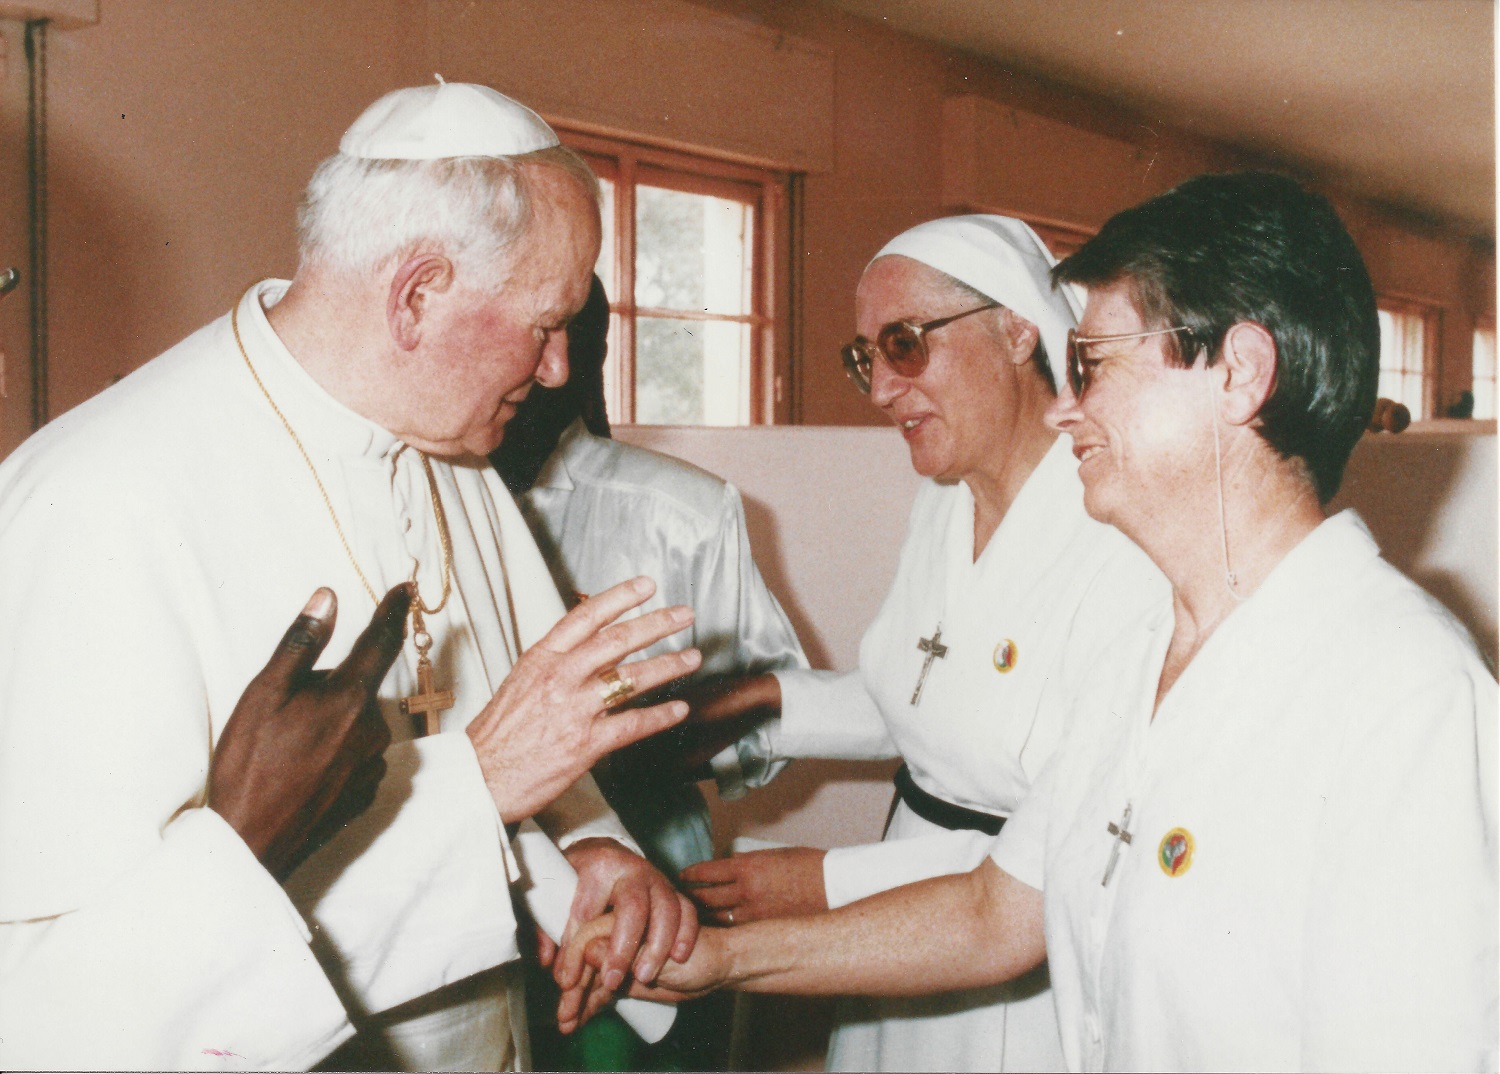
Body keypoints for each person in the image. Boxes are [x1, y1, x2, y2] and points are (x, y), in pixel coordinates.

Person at [561, 172, 1499, 1073]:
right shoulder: (1152, 656)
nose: (1062, 407)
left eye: (1091, 365)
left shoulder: (1402, 694)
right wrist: (717, 964)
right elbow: (993, 915)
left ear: (1239, 374)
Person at [0, 82, 702, 1072]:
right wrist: (483, 785)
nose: (556, 371)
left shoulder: (450, 442)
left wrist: (588, 852)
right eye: (547, 323)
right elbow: (68, 1010)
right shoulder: (99, 502)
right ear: (417, 295)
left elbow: (533, 749)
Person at [671, 215, 1166, 1072]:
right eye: (866, 356)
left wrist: (827, 883)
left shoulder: (1117, 534)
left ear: (1017, 328)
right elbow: (929, 689)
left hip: (1015, 944)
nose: (879, 390)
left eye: (905, 344)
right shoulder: (946, 498)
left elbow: (1057, 838)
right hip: (908, 908)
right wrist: (759, 703)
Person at [493, 273, 807, 1069]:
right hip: (481, 885)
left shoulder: (682, 512)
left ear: (587, 355)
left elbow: (776, 706)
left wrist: (635, 738)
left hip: (650, 873)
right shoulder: (429, 499)